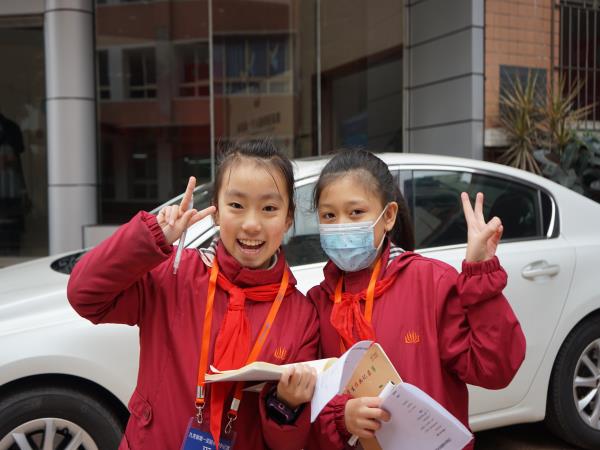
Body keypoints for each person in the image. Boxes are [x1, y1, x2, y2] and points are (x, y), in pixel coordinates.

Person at [68, 140, 319, 450]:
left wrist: (287, 404)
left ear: (288, 218)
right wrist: (150, 237)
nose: (252, 224)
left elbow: (287, 444)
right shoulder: (173, 275)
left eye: (269, 208)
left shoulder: (301, 316)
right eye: (236, 205)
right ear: (216, 211)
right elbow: (85, 296)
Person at [307, 150, 526, 450]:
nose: (341, 225)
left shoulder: (431, 282)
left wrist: (481, 275)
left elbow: (495, 369)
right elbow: (311, 401)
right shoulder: (318, 302)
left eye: (356, 212)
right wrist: (341, 417)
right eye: (329, 216)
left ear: (388, 216)